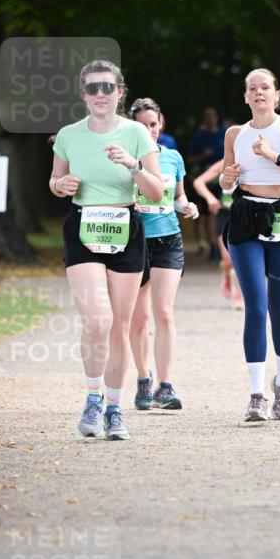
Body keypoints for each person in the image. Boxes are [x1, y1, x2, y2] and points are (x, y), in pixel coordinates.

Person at [49, 60, 163, 440]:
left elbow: (156, 191)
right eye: (93, 88)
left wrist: (133, 165)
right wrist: (60, 185)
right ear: (84, 94)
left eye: (107, 87)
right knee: (97, 320)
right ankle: (93, 398)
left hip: (125, 228)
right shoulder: (68, 135)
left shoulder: (136, 134)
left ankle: (115, 408)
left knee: (120, 325)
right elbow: (55, 180)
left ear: (120, 92)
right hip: (82, 227)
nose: (100, 94)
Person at [220, 68, 280, 422]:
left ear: (277, 95)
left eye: (265, 88)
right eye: (252, 88)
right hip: (246, 219)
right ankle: (257, 394)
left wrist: (275, 157)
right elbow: (227, 182)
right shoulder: (235, 133)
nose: (259, 93)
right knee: (255, 307)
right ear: (245, 96)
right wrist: (226, 179)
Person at [127, 97, 199, 410]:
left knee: (164, 312)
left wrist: (188, 207)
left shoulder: (173, 158)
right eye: (143, 125)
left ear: (161, 124)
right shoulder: (124, 159)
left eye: (153, 125)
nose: (150, 130)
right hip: (135, 241)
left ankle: (165, 386)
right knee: (139, 318)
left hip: (168, 239)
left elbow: (178, 199)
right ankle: (144, 377)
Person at [193, 159, 243, 309]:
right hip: (225, 214)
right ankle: (227, 274)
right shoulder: (226, 162)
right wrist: (210, 199)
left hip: (247, 214)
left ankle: (239, 296)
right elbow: (198, 182)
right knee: (228, 259)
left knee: (242, 259)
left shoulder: (257, 159)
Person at [187, 107, 225, 258]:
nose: (210, 119)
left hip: (222, 180)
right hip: (204, 178)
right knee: (203, 215)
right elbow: (190, 159)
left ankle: (217, 246)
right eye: (207, 117)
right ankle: (207, 244)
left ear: (216, 118)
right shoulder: (199, 136)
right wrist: (203, 155)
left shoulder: (224, 134)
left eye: (212, 116)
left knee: (215, 214)